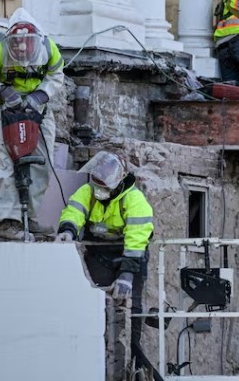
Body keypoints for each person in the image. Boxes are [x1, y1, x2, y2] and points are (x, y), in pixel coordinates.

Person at [0, 7, 64, 240]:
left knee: (43, 163)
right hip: (7, 111)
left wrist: (41, 95)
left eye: (26, 45)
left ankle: (29, 217)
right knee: (8, 163)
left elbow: (56, 75)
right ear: (9, 42)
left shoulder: (48, 49)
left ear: (35, 41)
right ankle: (8, 220)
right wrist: (2, 90)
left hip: (39, 110)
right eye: (17, 46)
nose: (22, 50)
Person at [56, 151, 154, 353]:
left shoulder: (135, 200)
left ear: (118, 183)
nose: (98, 190)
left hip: (129, 255)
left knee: (132, 308)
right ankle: (95, 353)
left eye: (103, 187)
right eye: (96, 185)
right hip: (99, 254)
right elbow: (74, 210)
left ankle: (132, 356)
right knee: (93, 303)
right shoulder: (88, 191)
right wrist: (68, 229)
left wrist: (126, 275)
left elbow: (137, 240)